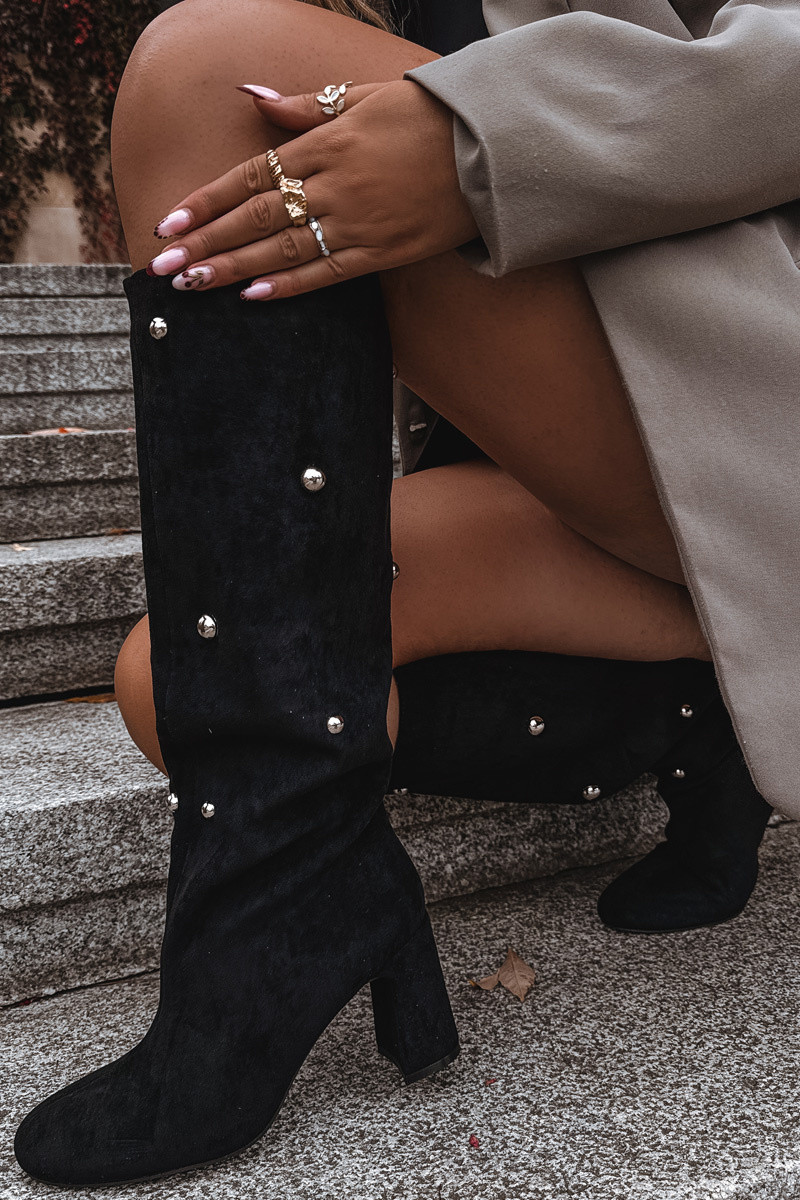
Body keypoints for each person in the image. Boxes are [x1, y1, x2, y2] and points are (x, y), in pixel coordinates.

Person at [14, 0, 798, 1183]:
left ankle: (261, 931)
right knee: (169, 688)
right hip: (590, 458)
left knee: (214, 76)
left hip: (749, 384)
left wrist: (485, 139)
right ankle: (709, 709)